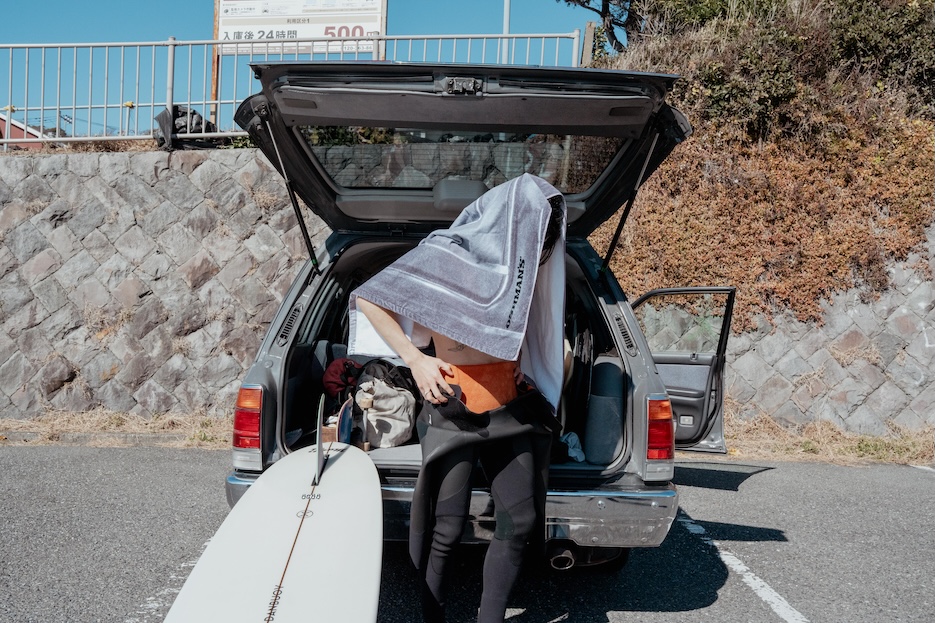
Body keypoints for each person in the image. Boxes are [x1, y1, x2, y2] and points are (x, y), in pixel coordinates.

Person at [347, 173, 566, 623]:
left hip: (509, 404)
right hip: (453, 402)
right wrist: (415, 359)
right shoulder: (447, 250)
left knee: (520, 522)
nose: (541, 243)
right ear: (512, 220)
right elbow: (370, 298)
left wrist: (523, 363)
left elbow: (525, 327)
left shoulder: (521, 267)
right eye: (536, 230)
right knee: (445, 527)